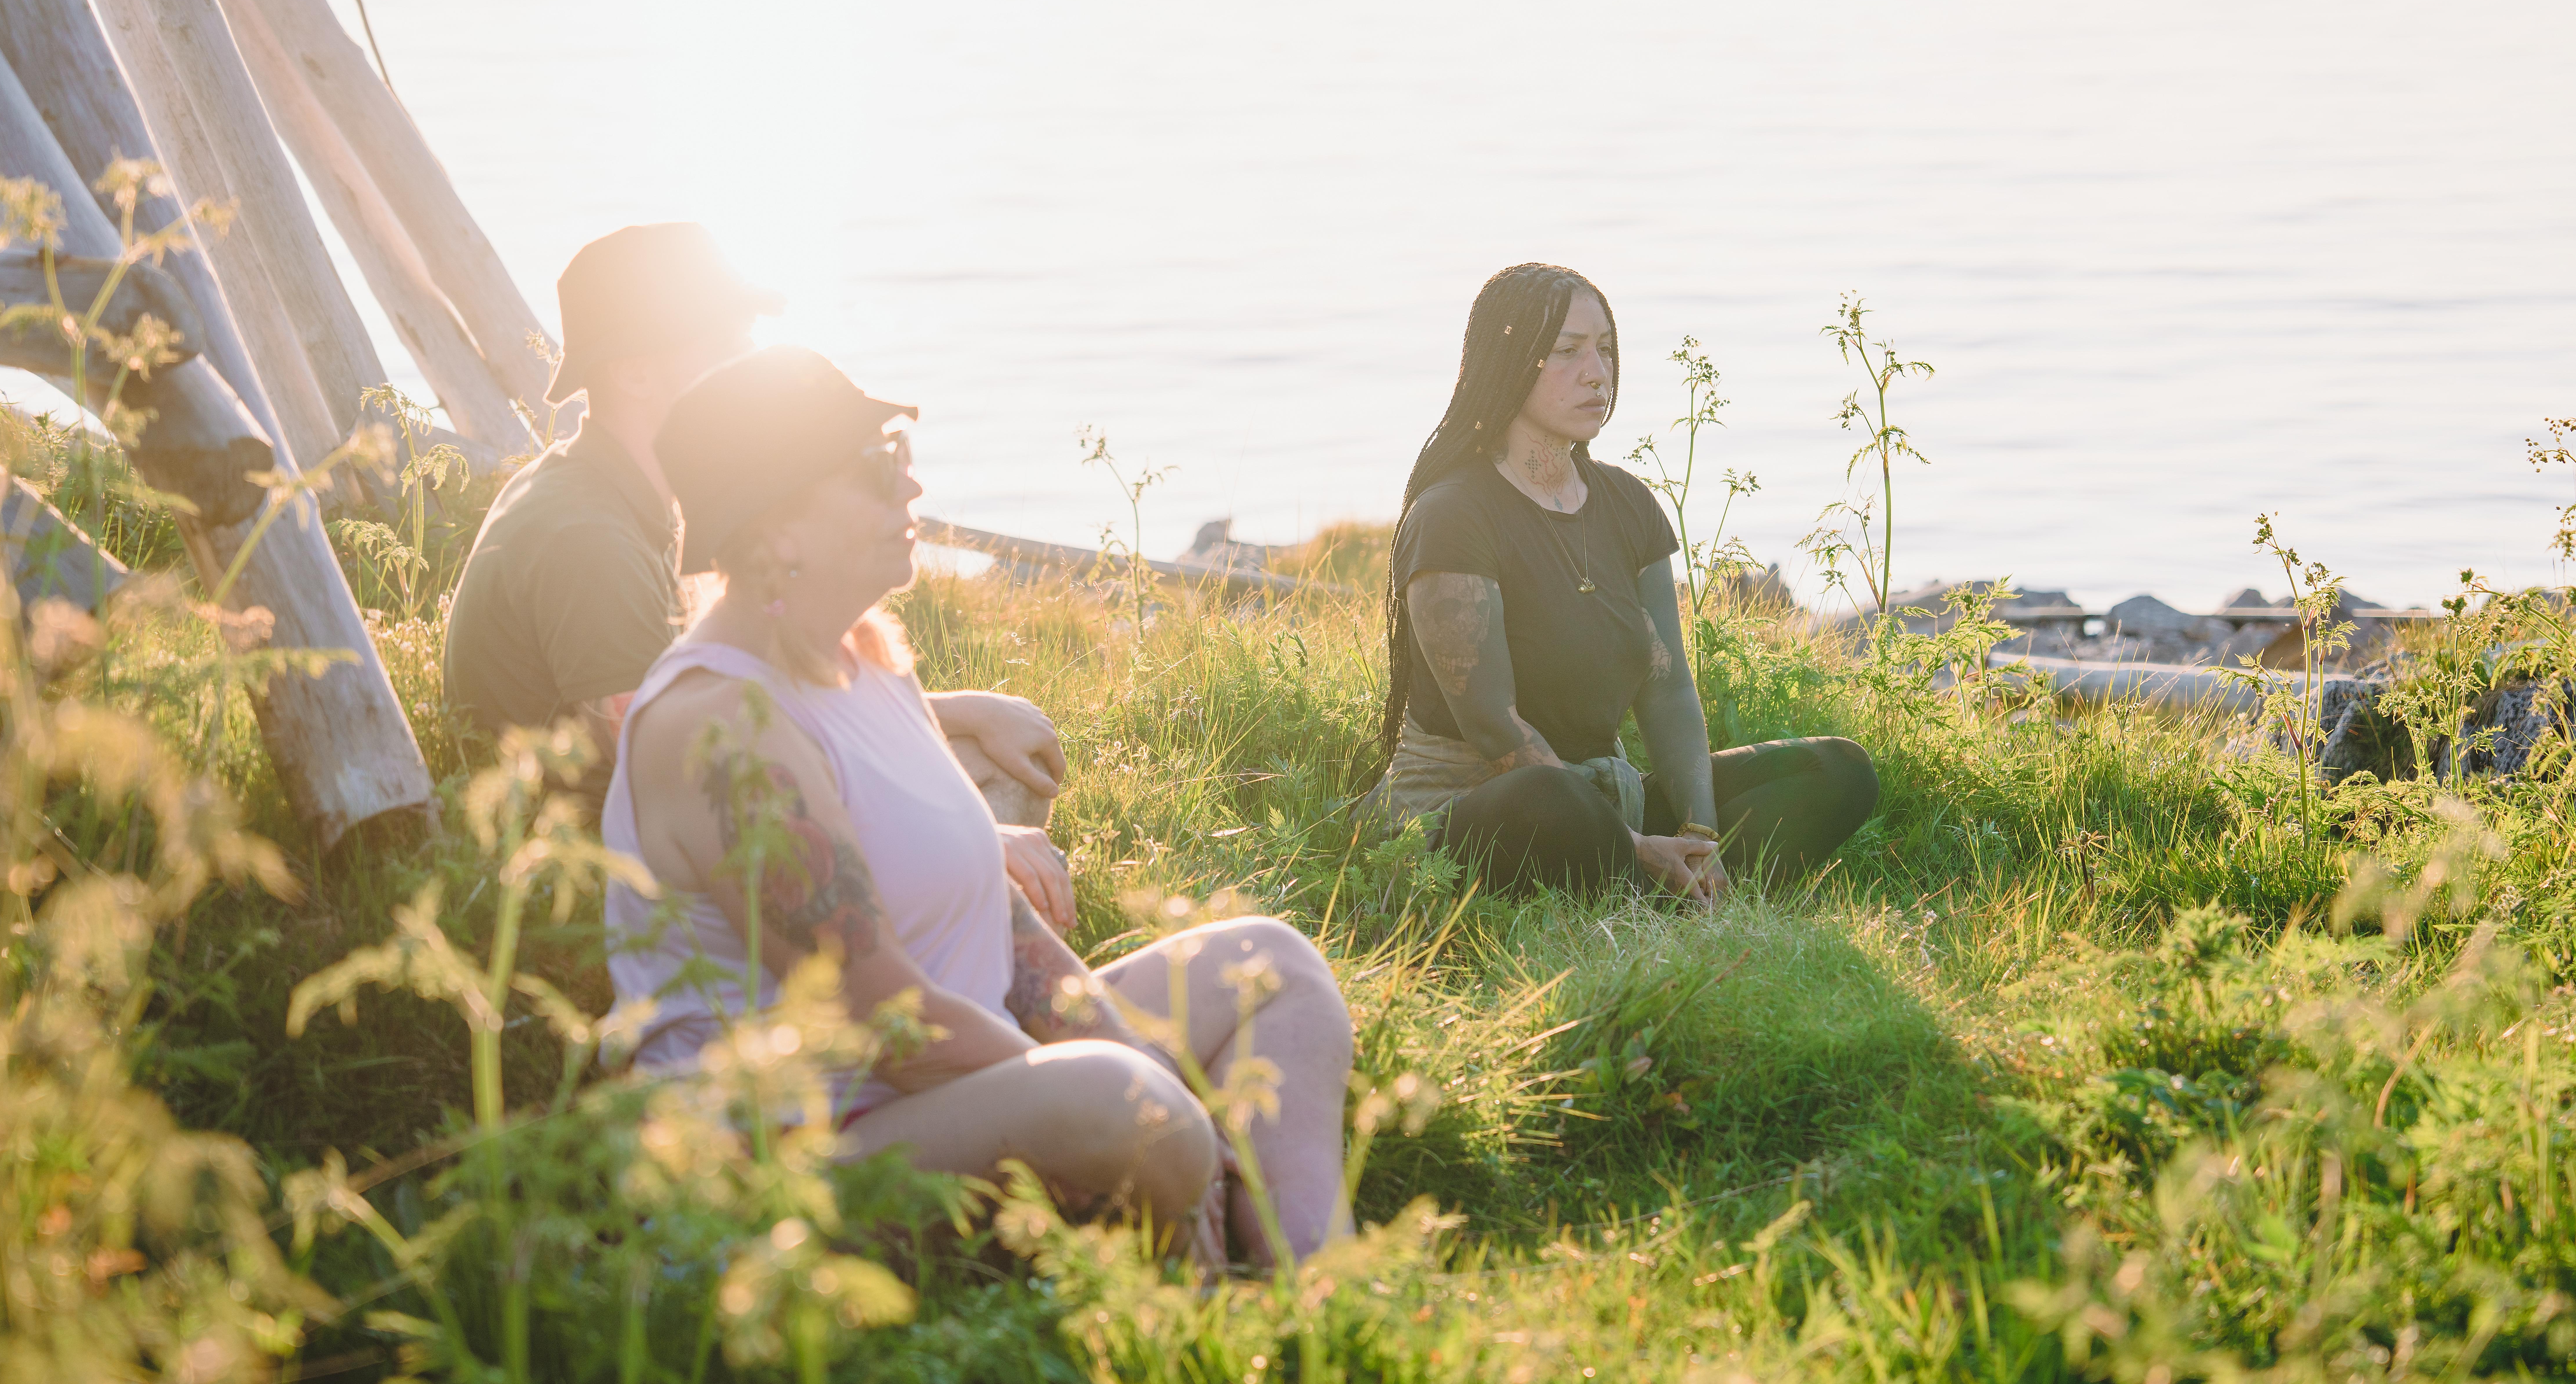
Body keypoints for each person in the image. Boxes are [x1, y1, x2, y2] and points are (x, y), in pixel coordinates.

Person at [603, 345, 1355, 1267]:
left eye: (902, 450)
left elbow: (1001, 918)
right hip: (801, 1166)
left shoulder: (861, 653)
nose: (911, 486)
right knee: (1121, 1105)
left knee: (1269, 962)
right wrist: (1145, 1105)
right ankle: (1197, 1284)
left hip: (949, 1088)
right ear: (774, 533)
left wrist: (1157, 1082)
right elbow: (894, 1029)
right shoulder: (722, 726)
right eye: (878, 467)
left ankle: (1316, 1277)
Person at [439, 224, 1065, 873]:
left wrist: (956, 711)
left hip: (675, 805)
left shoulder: (627, 489)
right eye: (726, 344)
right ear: (634, 372)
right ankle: (965, 946)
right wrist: (962, 836)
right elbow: (691, 771)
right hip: (620, 865)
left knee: (976, 755)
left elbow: (730, 705)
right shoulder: (588, 539)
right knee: (987, 784)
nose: (749, 363)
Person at [1363, 261, 1878, 897]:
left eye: (1605, 349)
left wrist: (1700, 833)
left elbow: (1667, 693)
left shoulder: (1628, 504)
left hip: (1605, 798)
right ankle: (1632, 873)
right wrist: (1630, 845)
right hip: (1474, 810)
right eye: (1566, 351)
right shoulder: (1452, 514)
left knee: (1836, 769)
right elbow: (1492, 724)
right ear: (1507, 359)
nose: (1596, 371)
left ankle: (1684, 877)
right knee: (1551, 799)